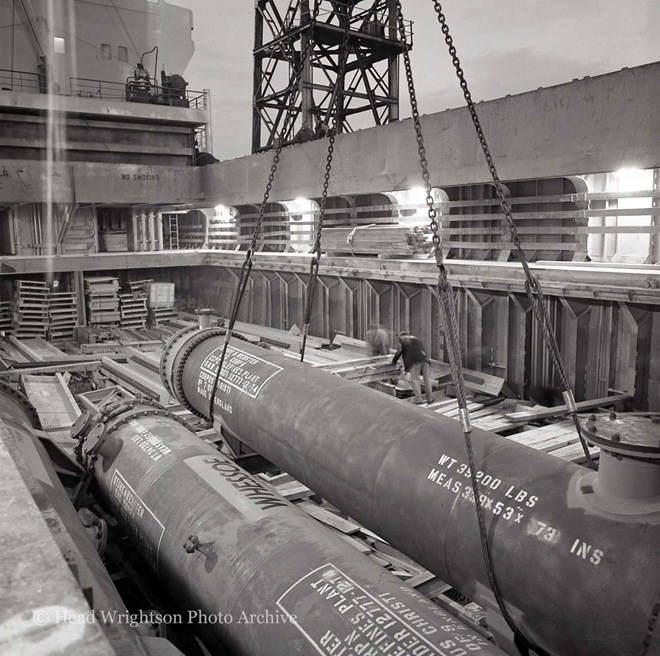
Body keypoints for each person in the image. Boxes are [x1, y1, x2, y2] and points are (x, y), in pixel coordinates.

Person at [392, 331, 434, 405]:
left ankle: (418, 399)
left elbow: (398, 352)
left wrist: (393, 362)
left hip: (414, 362)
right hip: (425, 360)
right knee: (426, 380)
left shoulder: (403, 340)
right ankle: (430, 398)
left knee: (415, 380)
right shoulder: (417, 339)